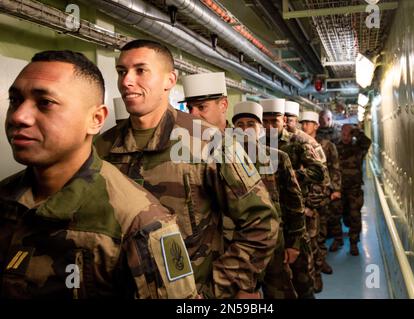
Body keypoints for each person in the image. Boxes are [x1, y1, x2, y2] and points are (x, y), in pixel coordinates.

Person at [0, 50, 197, 299]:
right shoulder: (7, 197)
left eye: (45, 103)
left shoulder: (140, 224)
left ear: (95, 119)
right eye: (15, 101)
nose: (19, 117)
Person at [94, 39, 279, 299]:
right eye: (122, 71)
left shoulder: (208, 142)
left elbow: (262, 223)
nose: (126, 81)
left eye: (140, 70)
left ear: (170, 80)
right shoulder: (101, 147)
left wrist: (216, 287)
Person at [232, 101, 307, 299]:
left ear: (260, 129)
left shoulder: (278, 158)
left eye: (251, 124)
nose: (245, 129)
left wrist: (294, 243)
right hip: (239, 247)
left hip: (275, 244)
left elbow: (293, 203)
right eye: (239, 125)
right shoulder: (224, 160)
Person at [260, 98, 327, 298]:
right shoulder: (256, 143)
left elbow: (321, 173)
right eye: (266, 120)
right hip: (269, 220)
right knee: (274, 284)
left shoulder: (299, 142)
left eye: (275, 120)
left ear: (284, 120)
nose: (270, 126)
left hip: (294, 216)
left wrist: (293, 175)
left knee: (302, 278)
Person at [300, 111, 341, 279]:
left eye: (308, 123)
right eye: (302, 123)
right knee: (306, 235)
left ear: (316, 126)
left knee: (321, 232)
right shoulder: (297, 145)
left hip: (322, 196)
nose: (304, 126)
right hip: (304, 196)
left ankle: (320, 262)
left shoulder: (327, 145)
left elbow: (335, 168)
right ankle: (311, 269)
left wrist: (336, 189)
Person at [332, 124, 372, 256]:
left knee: (355, 216)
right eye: (343, 134)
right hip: (338, 188)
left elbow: (367, 142)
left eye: (348, 134)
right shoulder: (335, 148)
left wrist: (356, 131)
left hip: (354, 189)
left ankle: (354, 243)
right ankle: (338, 240)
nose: (345, 137)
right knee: (335, 214)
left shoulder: (358, 148)